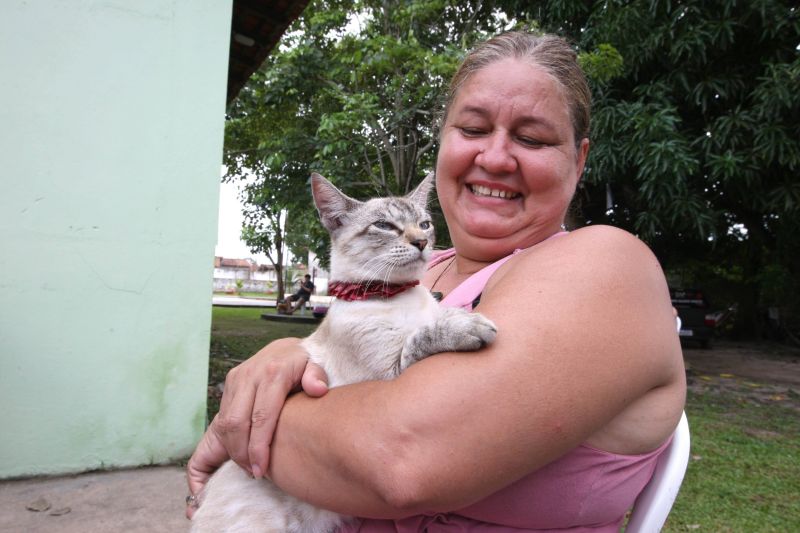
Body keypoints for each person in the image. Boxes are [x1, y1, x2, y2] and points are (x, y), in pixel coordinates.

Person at [187, 31, 685, 531]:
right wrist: (284, 356)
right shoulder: (420, 271)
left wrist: (245, 422)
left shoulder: (604, 265)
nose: (494, 158)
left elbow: (397, 460)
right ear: (443, 142)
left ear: (578, 160)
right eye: (471, 129)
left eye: (531, 138)